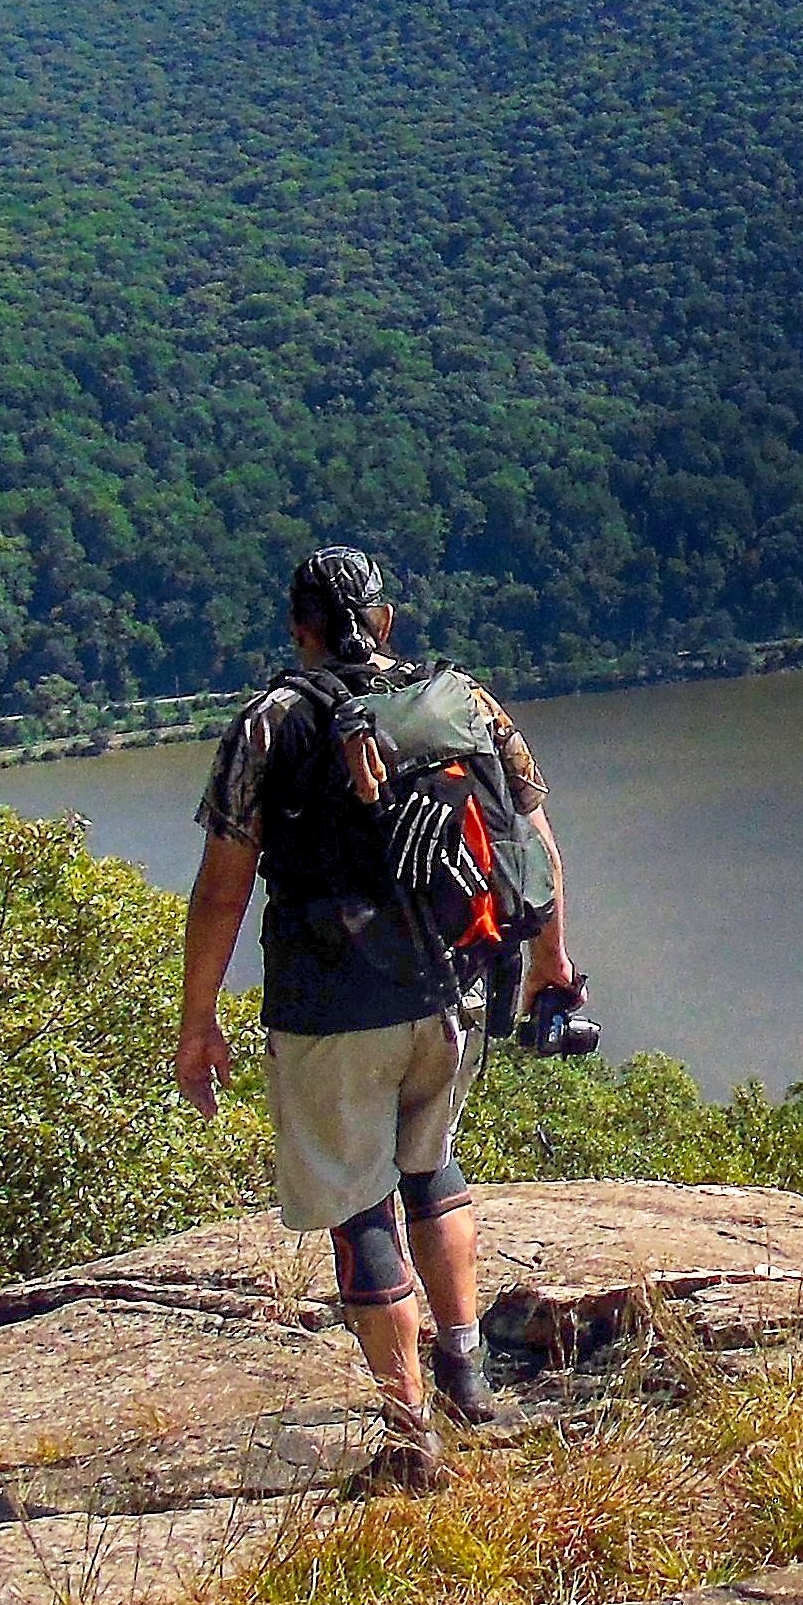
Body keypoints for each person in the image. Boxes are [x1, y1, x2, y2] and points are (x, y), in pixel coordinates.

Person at [173, 546, 576, 1489]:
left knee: (362, 1211)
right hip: (452, 994)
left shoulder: (269, 724)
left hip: (331, 1011)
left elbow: (224, 888)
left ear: (299, 627)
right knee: (431, 1167)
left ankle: (410, 1436)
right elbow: (532, 841)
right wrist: (552, 964)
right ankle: (467, 1373)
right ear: (387, 620)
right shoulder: (461, 702)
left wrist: (199, 1021)